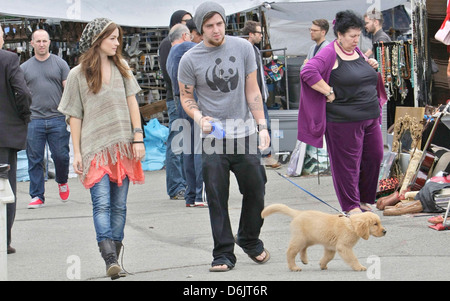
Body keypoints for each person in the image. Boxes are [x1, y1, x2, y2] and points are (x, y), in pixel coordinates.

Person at [178, 1, 271, 272]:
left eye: (219, 23)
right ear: (200, 28)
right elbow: (186, 96)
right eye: (209, 26)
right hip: (213, 135)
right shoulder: (190, 59)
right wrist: (198, 117)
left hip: (243, 132)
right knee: (217, 195)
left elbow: (252, 89)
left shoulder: (243, 48)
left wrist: (262, 126)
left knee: (256, 188)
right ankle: (223, 253)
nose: (216, 30)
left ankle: (249, 238)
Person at [58, 18, 145, 280]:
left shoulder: (123, 68)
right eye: (112, 38)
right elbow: (74, 116)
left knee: (120, 207)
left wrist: (138, 138)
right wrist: (77, 152)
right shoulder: (77, 74)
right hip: (95, 149)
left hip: (123, 148)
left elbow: (133, 106)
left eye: (118, 38)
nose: (117, 43)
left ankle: (114, 260)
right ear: (97, 40)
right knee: (101, 204)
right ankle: (109, 258)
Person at [298, 10, 383, 215]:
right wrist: (328, 91)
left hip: (369, 116)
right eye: (352, 36)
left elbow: (358, 74)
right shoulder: (330, 52)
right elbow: (308, 71)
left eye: (358, 35)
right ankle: (351, 206)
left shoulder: (356, 51)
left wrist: (371, 65)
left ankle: (363, 200)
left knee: (375, 156)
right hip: (344, 120)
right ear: (339, 35)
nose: (356, 40)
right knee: (347, 165)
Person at [20, 29, 71, 209]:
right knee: (35, 158)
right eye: (38, 41)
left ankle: (62, 180)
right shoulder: (24, 68)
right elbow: (19, 94)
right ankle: (37, 195)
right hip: (34, 119)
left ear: (50, 42)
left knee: (61, 156)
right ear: (32, 44)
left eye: (44, 41)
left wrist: (71, 114)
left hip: (57, 117)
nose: (41, 44)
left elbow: (69, 91)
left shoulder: (60, 64)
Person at [0, 24, 32, 254]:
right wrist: (24, 116)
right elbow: (23, 93)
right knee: (5, 188)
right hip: (4, 134)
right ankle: (3, 238)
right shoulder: (9, 60)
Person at [166, 23, 205, 208]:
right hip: (194, 100)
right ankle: (199, 194)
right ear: (184, 36)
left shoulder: (170, 55)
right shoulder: (185, 48)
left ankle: (191, 195)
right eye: (190, 35)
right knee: (200, 148)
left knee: (189, 149)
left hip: (180, 102)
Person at [158, 10, 193, 200]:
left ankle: (184, 184)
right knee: (177, 141)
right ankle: (175, 186)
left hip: (182, 98)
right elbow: (170, 72)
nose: (190, 24)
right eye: (186, 21)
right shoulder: (168, 45)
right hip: (176, 98)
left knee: (184, 141)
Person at [242, 20, 280, 169]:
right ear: (251, 34)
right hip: (252, 98)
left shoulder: (255, 50)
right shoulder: (245, 51)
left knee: (264, 126)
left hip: (258, 96)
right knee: (262, 126)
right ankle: (265, 156)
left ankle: (265, 155)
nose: (261, 36)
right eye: (259, 33)